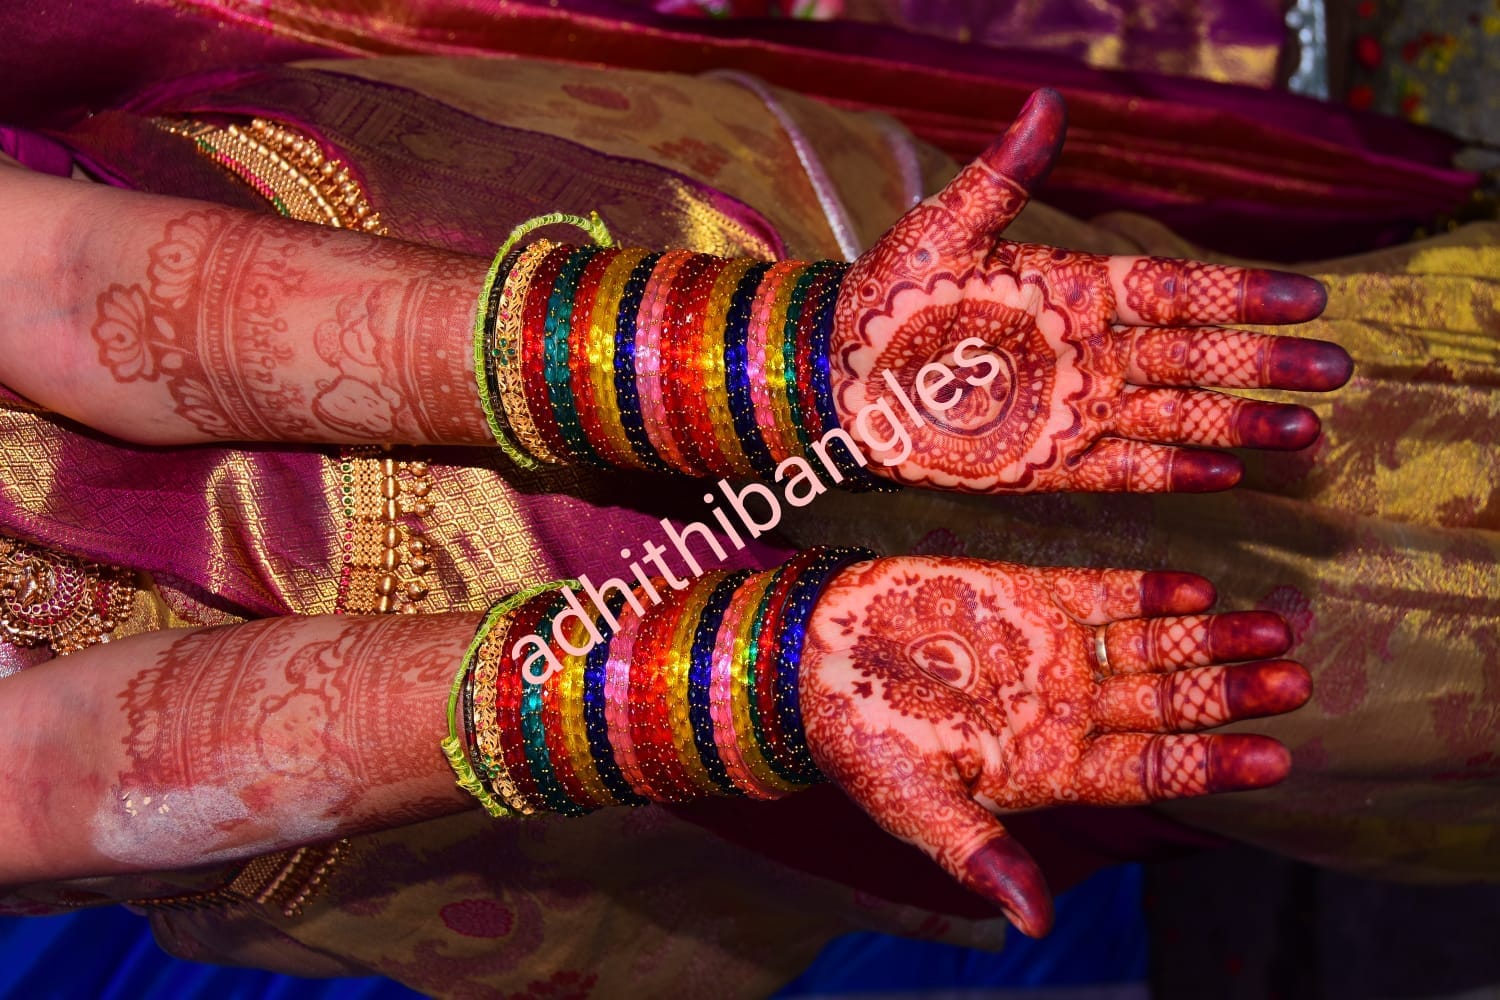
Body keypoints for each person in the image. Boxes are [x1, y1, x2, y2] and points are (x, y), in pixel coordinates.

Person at [0, 51, 1494, 998]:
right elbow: (53, 776)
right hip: (315, 739)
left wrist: (748, 360)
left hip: (397, 276)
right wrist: (722, 684)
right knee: (1242, 675)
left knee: (1202, 415)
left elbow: (58, 285)